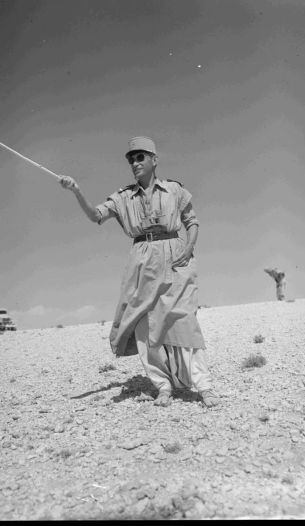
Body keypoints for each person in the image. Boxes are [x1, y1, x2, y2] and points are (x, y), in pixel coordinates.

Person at [59, 136, 219, 407]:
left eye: (140, 157)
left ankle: (204, 387)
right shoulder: (123, 197)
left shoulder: (174, 190)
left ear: (154, 159)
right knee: (147, 325)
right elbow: (96, 215)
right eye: (131, 159)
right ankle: (163, 385)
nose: (135, 162)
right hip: (142, 259)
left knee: (184, 320)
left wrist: (188, 248)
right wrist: (76, 191)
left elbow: (192, 222)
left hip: (175, 255)